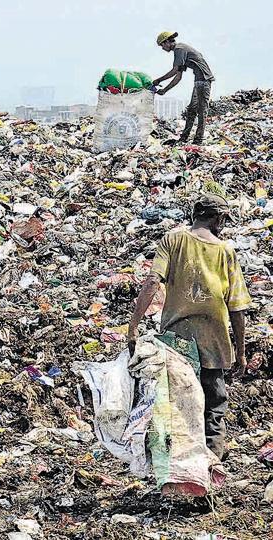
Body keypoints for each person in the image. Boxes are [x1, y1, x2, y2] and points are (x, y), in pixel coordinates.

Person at [128, 194, 251, 460]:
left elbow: (152, 283)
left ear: (194, 216)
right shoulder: (225, 251)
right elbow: (237, 306)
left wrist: (133, 327)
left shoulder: (173, 240)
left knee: (176, 404)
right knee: (213, 405)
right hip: (213, 341)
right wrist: (240, 350)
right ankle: (211, 464)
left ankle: (176, 466)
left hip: (176, 341)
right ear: (219, 219)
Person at [151, 31, 215, 145]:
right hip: (199, 81)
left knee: (201, 110)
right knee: (191, 110)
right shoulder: (181, 50)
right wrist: (165, 90)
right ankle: (184, 137)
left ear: (167, 42)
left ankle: (198, 140)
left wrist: (159, 80)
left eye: (162, 45)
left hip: (204, 80)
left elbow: (174, 71)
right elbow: (178, 76)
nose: (162, 48)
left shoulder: (179, 49)